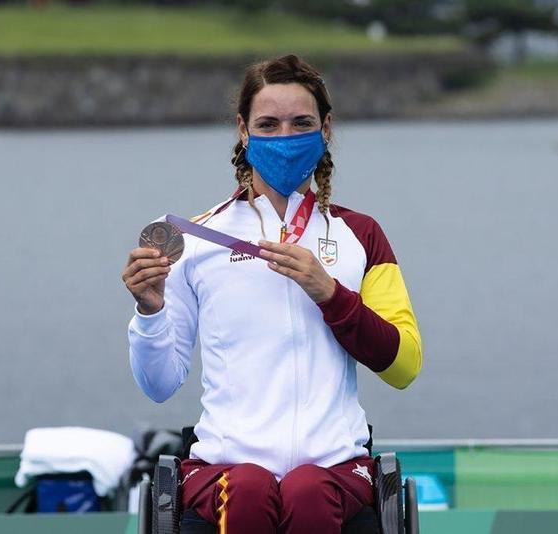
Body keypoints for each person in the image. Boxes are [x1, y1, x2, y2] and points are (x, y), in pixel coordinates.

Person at [122, 55, 422, 534]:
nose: (285, 137)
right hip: (224, 469)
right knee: (248, 489)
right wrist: (150, 310)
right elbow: (159, 385)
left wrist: (332, 296)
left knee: (307, 490)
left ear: (325, 129)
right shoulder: (195, 239)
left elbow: (404, 366)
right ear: (244, 130)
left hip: (337, 467)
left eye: (301, 123)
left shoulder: (361, 235)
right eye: (268, 124)